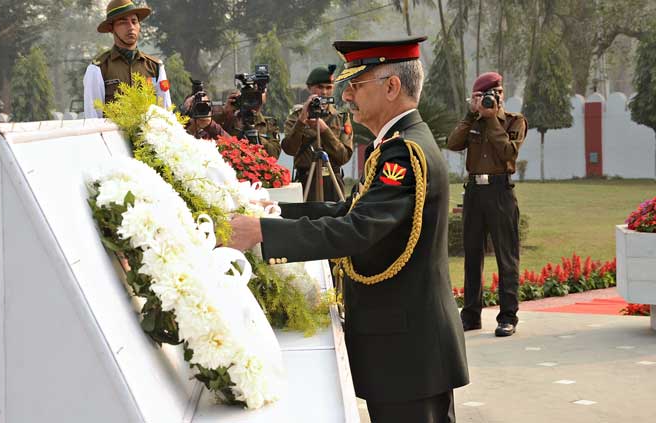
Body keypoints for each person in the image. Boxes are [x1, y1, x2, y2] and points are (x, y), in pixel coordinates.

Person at [226, 37, 469, 422]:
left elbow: (357, 230)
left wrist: (262, 233)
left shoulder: (404, 152)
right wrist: (275, 212)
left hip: (407, 352)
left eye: (356, 85)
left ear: (392, 87)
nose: (347, 96)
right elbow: (348, 209)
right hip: (406, 346)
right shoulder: (397, 144)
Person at [446, 71, 528, 337]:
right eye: (483, 95)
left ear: (502, 94)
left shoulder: (514, 121)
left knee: (506, 256)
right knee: (472, 256)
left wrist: (492, 119)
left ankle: (508, 317)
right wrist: (471, 114)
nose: (492, 99)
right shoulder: (474, 120)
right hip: (474, 193)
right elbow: (453, 143)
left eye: (495, 93)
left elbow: (508, 152)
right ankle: (471, 316)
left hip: (500, 191)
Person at [83, 0, 171, 118]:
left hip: (150, 130)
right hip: (111, 131)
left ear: (139, 26)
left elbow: (165, 112)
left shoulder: (156, 67)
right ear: (111, 28)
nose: (131, 27)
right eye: (123, 22)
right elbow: (93, 118)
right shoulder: (97, 69)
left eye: (134, 21)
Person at [283, 65, 354, 201]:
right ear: (309, 88)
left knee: (337, 214)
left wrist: (325, 131)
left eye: (329, 87)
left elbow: (343, 157)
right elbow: (289, 149)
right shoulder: (296, 116)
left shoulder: (341, 117)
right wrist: (301, 121)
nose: (324, 92)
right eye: (320, 87)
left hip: (333, 181)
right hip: (306, 181)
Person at [212, 89, 281, 158]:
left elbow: (274, 154)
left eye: (256, 96)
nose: (251, 101)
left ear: (264, 98)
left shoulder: (269, 124)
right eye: (246, 97)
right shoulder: (228, 119)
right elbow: (209, 131)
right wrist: (225, 113)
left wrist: (255, 136)